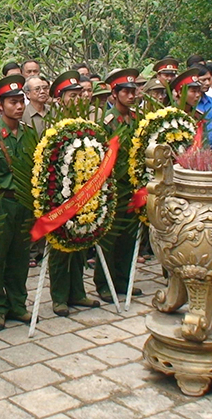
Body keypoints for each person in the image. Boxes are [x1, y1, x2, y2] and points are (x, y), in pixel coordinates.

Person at [46, 71, 102, 315]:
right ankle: (59, 296)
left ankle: (78, 292)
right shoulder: (50, 122)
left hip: (83, 190)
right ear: (60, 98)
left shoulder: (87, 122)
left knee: (81, 238)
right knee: (60, 246)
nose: (78, 99)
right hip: (57, 192)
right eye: (72, 95)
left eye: (80, 94)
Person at [0, 75, 36, 331]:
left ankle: (18, 303)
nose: (19, 107)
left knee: (20, 257)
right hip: (1, 205)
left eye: (21, 102)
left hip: (24, 204)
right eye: (13, 102)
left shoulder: (29, 134)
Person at [95, 69, 143, 301]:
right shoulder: (108, 122)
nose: (131, 96)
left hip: (132, 186)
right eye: (125, 91)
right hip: (113, 185)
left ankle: (124, 280)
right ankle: (104, 283)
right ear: (114, 94)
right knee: (109, 237)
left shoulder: (136, 119)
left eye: (133, 91)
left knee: (128, 237)